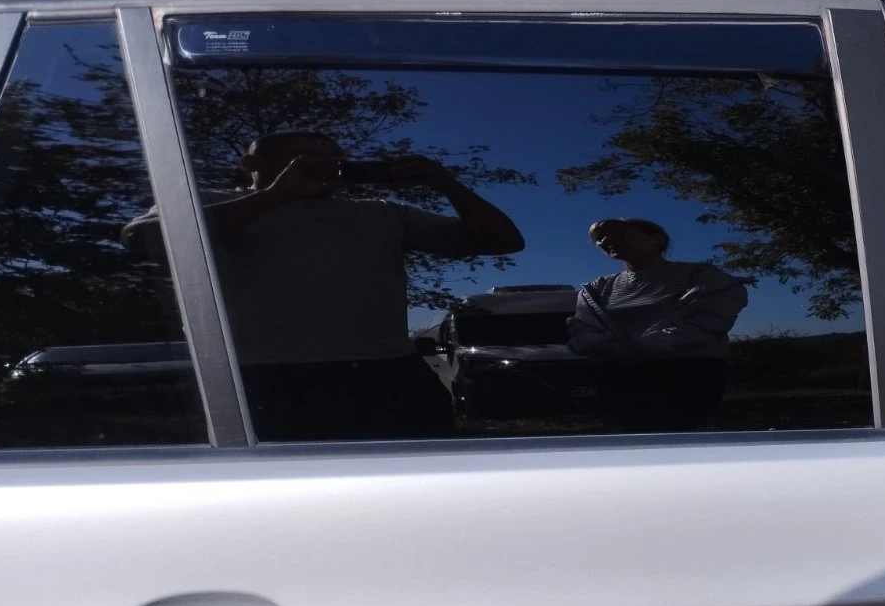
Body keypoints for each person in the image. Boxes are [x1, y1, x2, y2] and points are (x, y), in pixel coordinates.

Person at [122, 130, 525, 441]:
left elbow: (503, 241)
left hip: (387, 376)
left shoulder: (384, 214)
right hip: (261, 379)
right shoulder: (206, 202)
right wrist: (276, 196)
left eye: (336, 158)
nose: (329, 165)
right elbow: (142, 239)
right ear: (252, 163)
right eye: (309, 157)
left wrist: (444, 183)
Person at [566, 218, 748, 432]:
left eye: (620, 233)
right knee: (633, 436)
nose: (606, 240)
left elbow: (710, 321)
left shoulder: (701, 276)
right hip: (618, 375)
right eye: (600, 238)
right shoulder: (597, 288)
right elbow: (583, 327)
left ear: (657, 239)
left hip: (688, 372)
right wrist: (608, 348)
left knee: (674, 432)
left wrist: (644, 346)